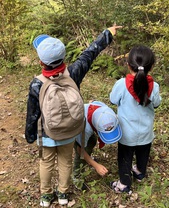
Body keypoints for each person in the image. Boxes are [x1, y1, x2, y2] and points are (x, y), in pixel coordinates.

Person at [25, 25, 122, 207]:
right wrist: (107, 34)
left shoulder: (37, 84)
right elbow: (89, 54)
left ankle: (46, 196)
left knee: (46, 163)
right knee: (65, 162)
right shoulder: (73, 73)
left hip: (47, 133)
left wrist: (30, 135)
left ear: (41, 62)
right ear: (64, 58)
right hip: (69, 131)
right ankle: (63, 194)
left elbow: (32, 114)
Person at [109, 45, 162, 194]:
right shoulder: (154, 86)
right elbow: (157, 103)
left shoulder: (121, 84)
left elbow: (113, 100)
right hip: (146, 132)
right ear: (151, 67)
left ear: (128, 65)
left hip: (126, 134)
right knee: (143, 154)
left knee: (125, 158)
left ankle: (124, 184)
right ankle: (139, 172)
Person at [72, 100, 122, 190]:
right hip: (73, 126)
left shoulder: (105, 111)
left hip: (88, 122)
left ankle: (88, 159)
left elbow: (92, 101)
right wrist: (95, 165)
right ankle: (77, 177)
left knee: (92, 140)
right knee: (82, 153)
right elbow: (80, 150)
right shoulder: (84, 129)